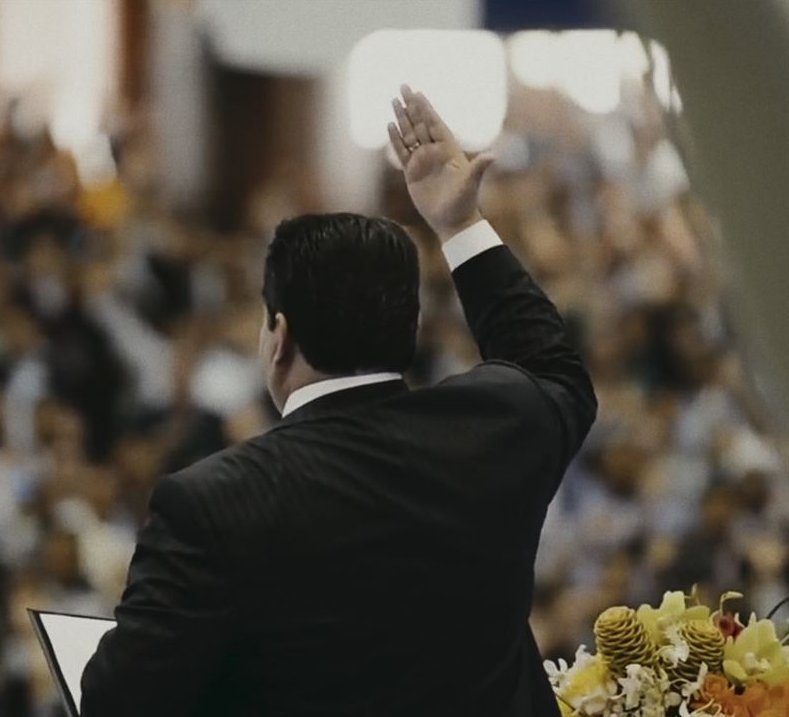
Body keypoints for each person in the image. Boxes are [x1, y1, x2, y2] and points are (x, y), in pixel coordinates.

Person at [80, 86, 596, 716]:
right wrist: (460, 225)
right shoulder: (501, 422)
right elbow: (554, 369)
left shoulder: (208, 505)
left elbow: (117, 702)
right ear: (410, 330)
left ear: (279, 338)